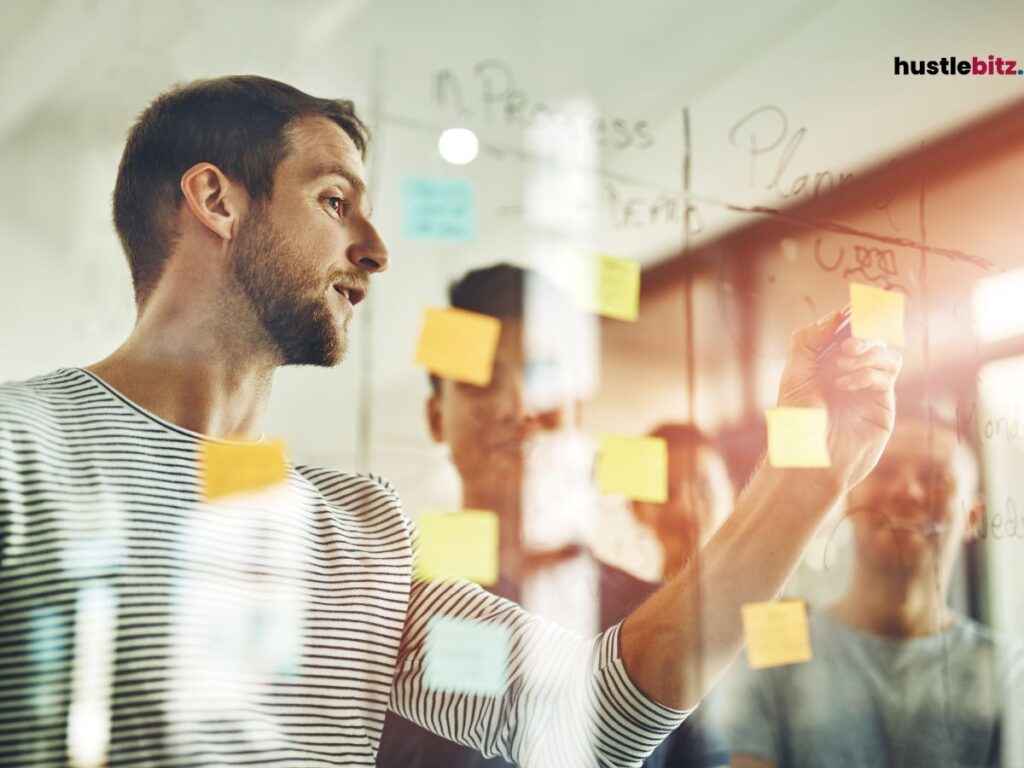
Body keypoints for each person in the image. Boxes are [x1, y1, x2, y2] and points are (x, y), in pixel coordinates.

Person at [0, 75, 902, 767]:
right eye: (333, 200)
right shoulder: (17, 449)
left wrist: (805, 475)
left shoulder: (358, 532)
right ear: (217, 200)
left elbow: (590, 718)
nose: (377, 249)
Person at [377, 267, 731, 767]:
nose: (517, 405)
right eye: (480, 382)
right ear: (437, 417)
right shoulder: (390, 615)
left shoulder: (653, 613)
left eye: (541, 377)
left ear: (576, 410)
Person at [719, 406, 1024, 768]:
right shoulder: (771, 653)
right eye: (885, 470)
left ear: (973, 517)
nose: (907, 490)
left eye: (933, 476)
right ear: (850, 497)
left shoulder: (1009, 669)